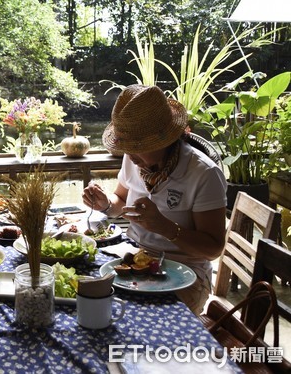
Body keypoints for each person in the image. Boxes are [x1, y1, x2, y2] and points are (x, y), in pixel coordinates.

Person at [82, 84, 227, 315]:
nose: (130, 156)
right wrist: (106, 204)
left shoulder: (203, 173)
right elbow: (120, 199)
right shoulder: (134, 159)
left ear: (164, 141)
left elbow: (212, 249)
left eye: (139, 148)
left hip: (186, 273)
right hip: (136, 260)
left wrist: (165, 227)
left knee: (129, 317)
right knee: (88, 295)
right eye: (127, 148)